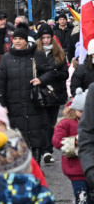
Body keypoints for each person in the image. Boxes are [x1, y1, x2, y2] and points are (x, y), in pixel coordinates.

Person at [0, 25, 53, 163]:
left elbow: (50, 72)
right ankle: (21, 167)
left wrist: (40, 79)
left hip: (33, 102)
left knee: (36, 135)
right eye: (14, 38)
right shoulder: (7, 58)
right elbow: (1, 82)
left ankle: (36, 166)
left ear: (26, 40)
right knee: (17, 137)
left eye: (20, 38)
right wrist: (2, 103)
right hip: (13, 103)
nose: (17, 41)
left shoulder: (36, 55)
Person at [52, 90, 91, 204]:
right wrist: (79, 142)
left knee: (90, 200)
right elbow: (56, 141)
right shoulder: (66, 123)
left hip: (91, 168)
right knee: (82, 198)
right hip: (76, 170)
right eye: (82, 111)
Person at [37, 23, 69, 163]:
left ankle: (48, 150)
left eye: (48, 37)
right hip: (41, 92)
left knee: (51, 123)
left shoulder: (59, 54)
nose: (45, 40)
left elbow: (65, 74)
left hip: (55, 93)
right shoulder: (35, 52)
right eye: (43, 37)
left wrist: (53, 74)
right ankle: (44, 149)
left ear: (52, 38)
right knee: (42, 122)